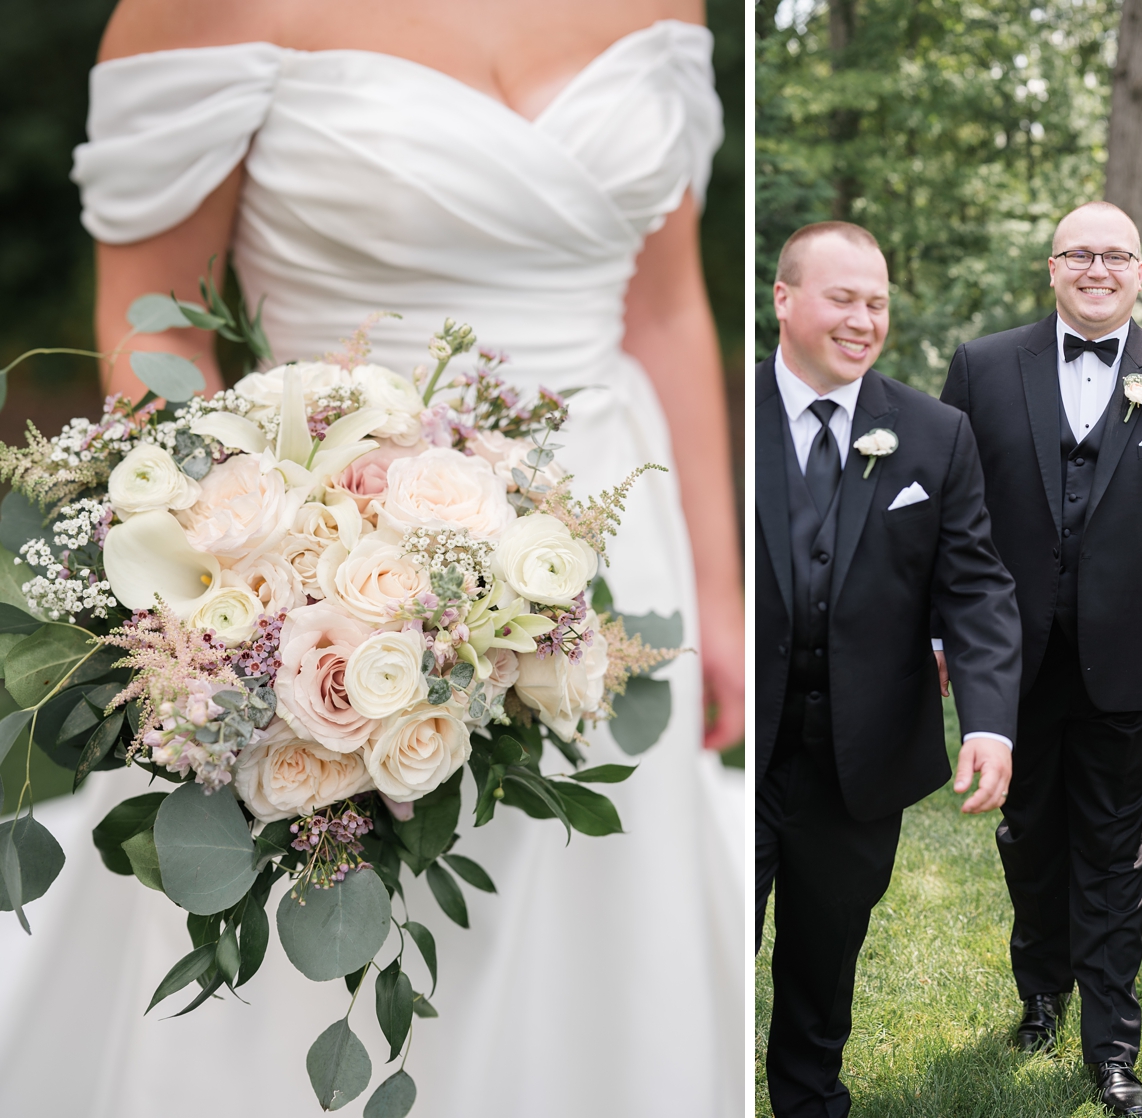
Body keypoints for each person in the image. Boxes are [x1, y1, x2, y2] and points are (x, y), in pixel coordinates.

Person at [0, 3, 744, 1115]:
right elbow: (152, 319)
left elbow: (667, 304)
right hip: (328, 553)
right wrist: (245, 600)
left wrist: (722, 591)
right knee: (326, 924)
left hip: (615, 538)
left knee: (605, 925)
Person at [940, 202, 1142, 1116]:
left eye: (1116, 255)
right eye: (1080, 253)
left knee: (1115, 852)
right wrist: (937, 636)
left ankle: (1112, 1043)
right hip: (1011, 657)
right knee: (1029, 835)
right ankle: (1041, 987)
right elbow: (950, 523)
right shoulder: (986, 367)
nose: (1097, 268)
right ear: (1052, 266)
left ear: (1139, 272)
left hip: (1133, 659)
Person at [755, 221, 1023, 1117]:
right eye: (844, 298)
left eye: (877, 303)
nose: (864, 320)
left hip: (857, 755)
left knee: (824, 966)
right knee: (696, 960)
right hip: (724, 753)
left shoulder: (934, 433)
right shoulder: (712, 411)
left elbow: (977, 588)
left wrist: (987, 720)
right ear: (785, 300)